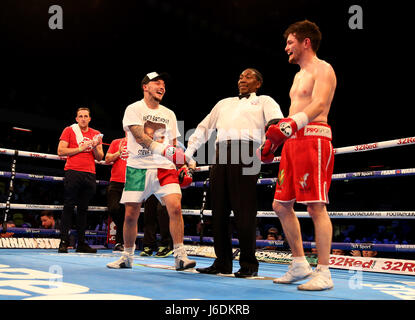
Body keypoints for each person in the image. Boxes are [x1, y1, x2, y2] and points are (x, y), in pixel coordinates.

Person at [185, 68, 284, 277]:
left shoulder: (264, 100)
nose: (242, 79)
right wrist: (189, 153)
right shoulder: (223, 103)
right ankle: (222, 263)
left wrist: (270, 146)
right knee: (218, 209)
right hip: (220, 152)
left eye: (248, 76)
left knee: (244, 209)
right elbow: (203, 128)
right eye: (240, 76)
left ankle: (248, 264)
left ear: (258, 83)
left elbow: (276, 123)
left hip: (248, 151)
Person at [264, 20, 337, 290]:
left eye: (290, 42)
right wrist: (274, 142)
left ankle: (325, 272)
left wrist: (292, 124)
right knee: (280, 205)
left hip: (315, 139)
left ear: (306, 42)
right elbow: (293, 115)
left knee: (315, 206)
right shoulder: (297, 76)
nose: (286, 48)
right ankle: (299, 263)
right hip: (293, 143)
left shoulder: (324, 68)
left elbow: (318, 103)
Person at [107, 71, 196, 271]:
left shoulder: (170, 114)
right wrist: (163, 149)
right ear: (145, 86)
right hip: (138, 167)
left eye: (164, 83)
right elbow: (139, 136)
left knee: (175, 207)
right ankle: (127, 256)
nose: (162, 86)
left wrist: (181, 164)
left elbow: (173, 144)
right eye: (157, 82)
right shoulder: (133, 108)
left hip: (164, 167)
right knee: (131, 214)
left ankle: (180, 256)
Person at [57, 107, 104, 253]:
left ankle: (81, 243)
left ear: (89, 119)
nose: (83, 118)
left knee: (83, 209)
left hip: (89, 173)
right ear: (76, 119)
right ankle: (63, 242)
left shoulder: (96, 134)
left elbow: (100, 157)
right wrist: (81, 148)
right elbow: (61, 151)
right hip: (73, 171)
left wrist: (95, 147)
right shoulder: (69, 130)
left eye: (86, 116)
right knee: (69, 206)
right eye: (80, 116)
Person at [105, 135, 128, 251]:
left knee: (127, 213)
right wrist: (118, 153)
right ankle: (121, 239)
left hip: (131, 182)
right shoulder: (116, 142)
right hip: (115, 181)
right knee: (113, 209)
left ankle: (120, 243)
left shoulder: (140, 144)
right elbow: (107, 159)